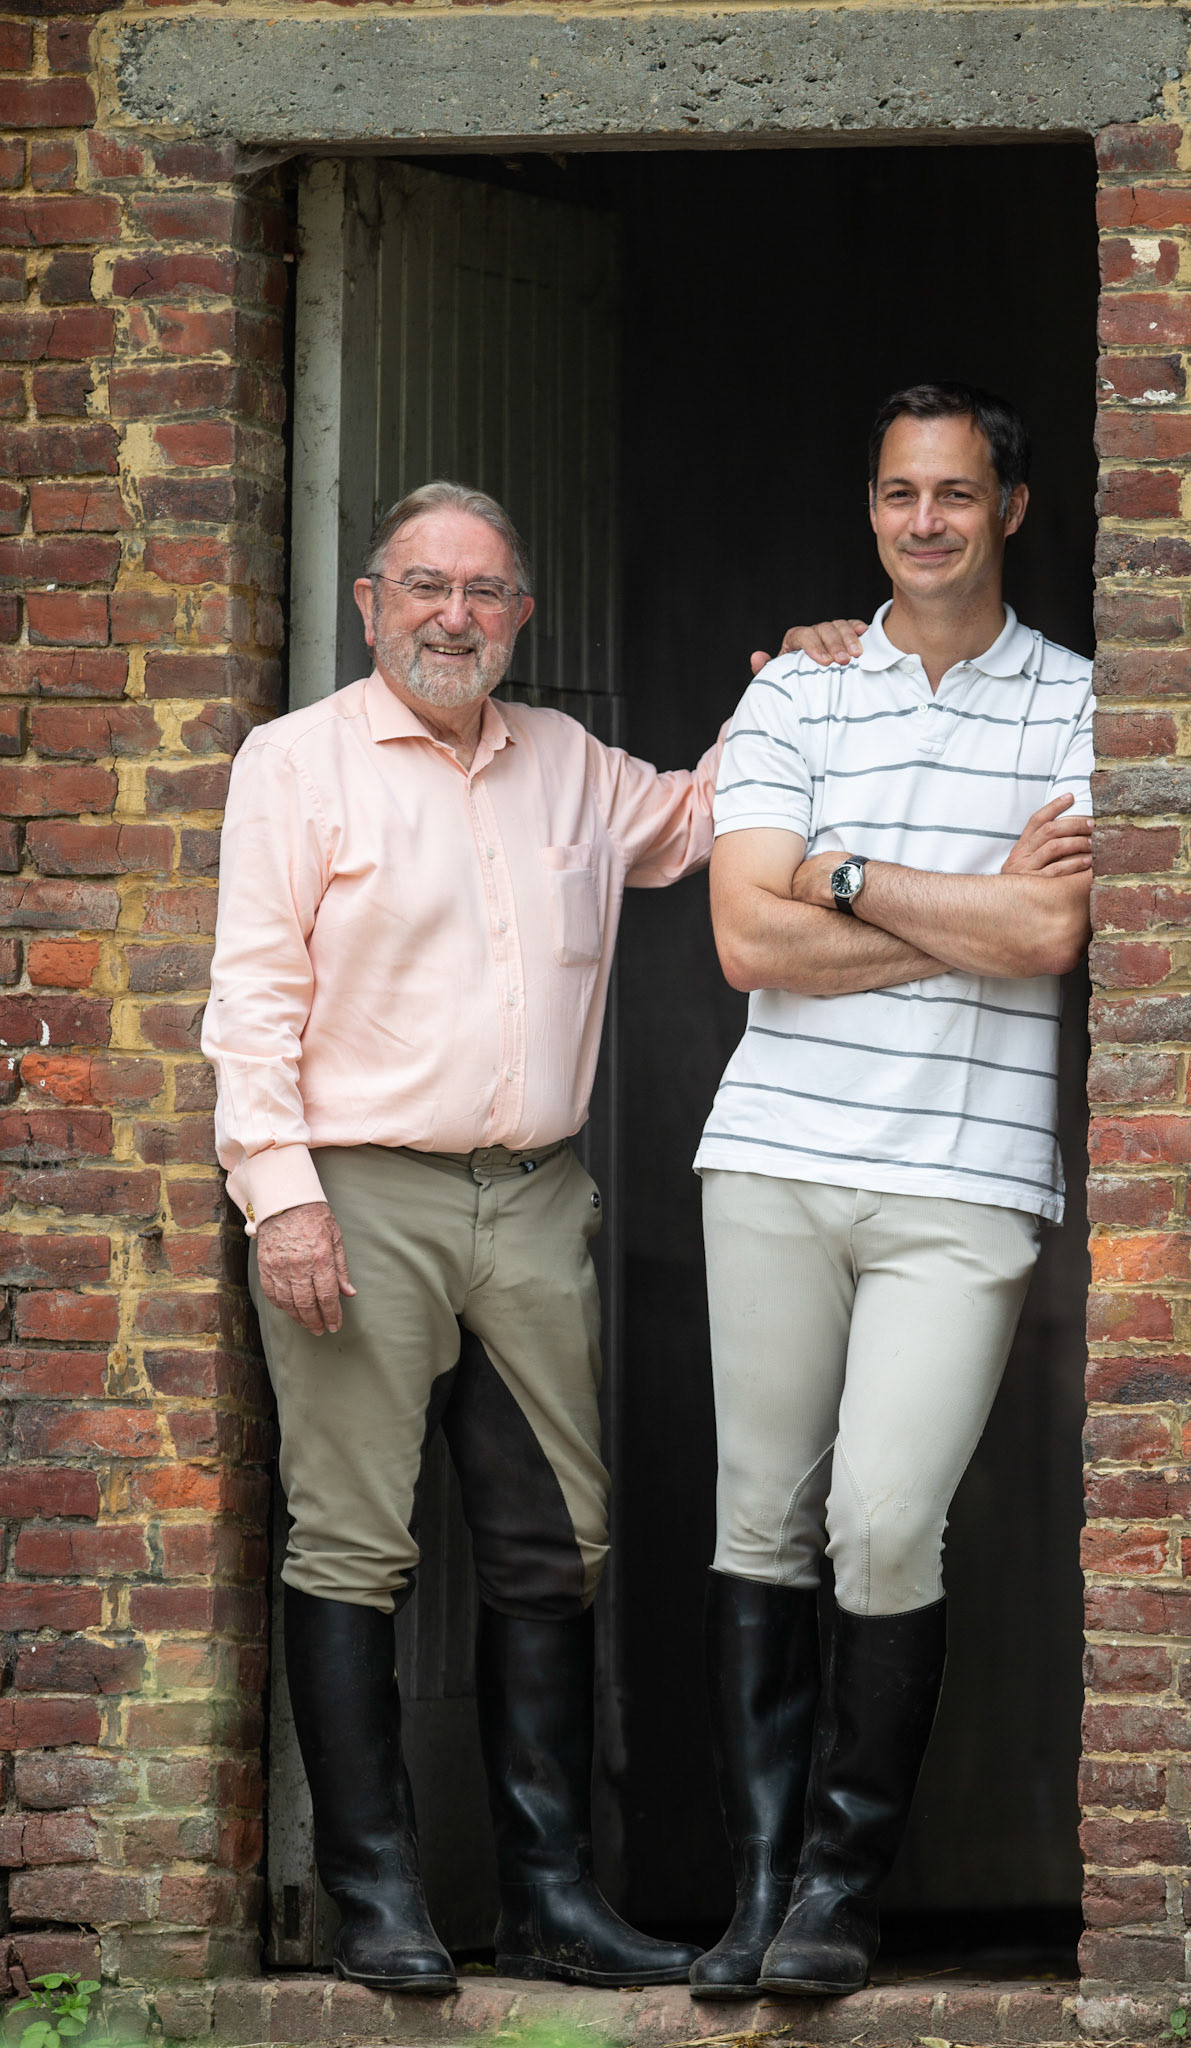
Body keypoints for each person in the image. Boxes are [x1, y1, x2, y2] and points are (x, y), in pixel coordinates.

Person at [204, 479, 843, 1996]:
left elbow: (698, 821)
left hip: (536, 1200)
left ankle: (551, 1900)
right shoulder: (295, 766)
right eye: (424, 587)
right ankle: (375, 1903)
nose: (453, 616)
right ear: (370, 605)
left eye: (485, 593)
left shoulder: (564, 762)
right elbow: (251, 995)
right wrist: (278, 1190)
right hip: (359, 1191)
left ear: (521, 618)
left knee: (553, 1548)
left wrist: (800, 685)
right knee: (353, 1543)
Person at [689, 384, 1096, 2000]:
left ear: (1009, 507)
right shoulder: (798, 687)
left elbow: (1048, 940)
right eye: (894, 495)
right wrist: (961, 908)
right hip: (774, 1153)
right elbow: (741, 939)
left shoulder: (1079, 705)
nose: (921, 522)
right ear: (869, 509)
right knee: (757, 1524)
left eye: (952, 493)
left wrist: (843, 872)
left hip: (966, 1177)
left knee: (879, 1519)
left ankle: (843, 1888)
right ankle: (760, 1897)